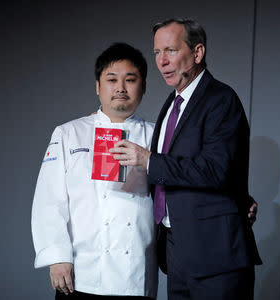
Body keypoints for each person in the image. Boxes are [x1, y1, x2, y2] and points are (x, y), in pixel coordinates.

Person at [111, 18, 262, 300]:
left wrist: (148, 160)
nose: (162, 61)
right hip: (176, 252)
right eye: (157, 53)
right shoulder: (172, 102)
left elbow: (216, 169)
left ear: (197, 53)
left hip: (215, 257)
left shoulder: (221, 99)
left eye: (170, 50)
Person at [31, 43, 157, 299]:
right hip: (79, 273)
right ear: (98, 86)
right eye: (112, 79)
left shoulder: (158, 136)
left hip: (134, 273)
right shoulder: (69, 133)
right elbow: (49, 200)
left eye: (130, 80)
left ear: (143, 87)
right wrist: (57, 257)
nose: (121, 88)